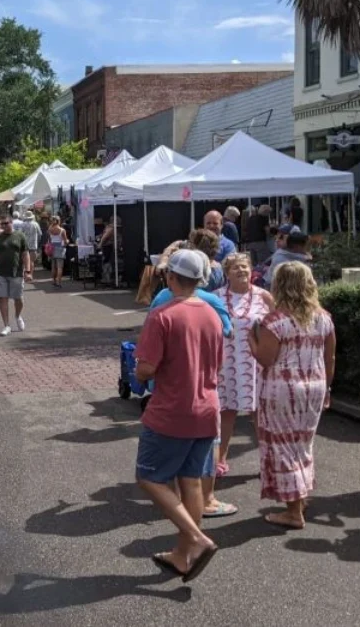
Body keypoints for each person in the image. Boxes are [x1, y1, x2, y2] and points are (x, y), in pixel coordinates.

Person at [132, 249, 222, 582]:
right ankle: (183, 554)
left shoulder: (163, 315)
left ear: (171, 277)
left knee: (149, 477)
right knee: (191, 480)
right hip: (206, 406)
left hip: (172, 409)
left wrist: (138, 371)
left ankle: (196, 540)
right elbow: (218, 363)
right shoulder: (212, 314)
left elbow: (146, 369)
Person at [248, 262, 336, 530]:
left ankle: (293, 511)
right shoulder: (323, 317)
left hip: (282, 389)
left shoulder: (275, 321)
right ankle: (301, 495)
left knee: (282, 446)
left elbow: (265, 357)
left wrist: (251, 338)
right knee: (302, 444)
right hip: (315, 385)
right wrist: (328, 388)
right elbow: (329, 356)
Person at [212, 254, 273, 485]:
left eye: (245, 266)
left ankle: (268, 462)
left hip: (255, 363)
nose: (241, 270)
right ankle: (220, 459)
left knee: (261, 414)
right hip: (226, 363)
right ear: (227, 272)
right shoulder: (216, 297)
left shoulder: (264, 296)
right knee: (225, 412)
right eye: (236, 267)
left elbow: (277, 325)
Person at [0, 217, 30, 336]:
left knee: (18, 298)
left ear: (11, 223)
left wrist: (28, 271)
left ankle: (17, 315)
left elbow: (25, 254)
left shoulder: (20, 236)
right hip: (0, 272)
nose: (4, 225)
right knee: (3, 298)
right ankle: (6, 325)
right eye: (2, 224)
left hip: (16, 272)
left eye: (6, 223)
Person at [47, 217, 69, 287]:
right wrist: (67, 242)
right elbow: (65, 241)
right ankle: (58, 282)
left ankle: (53, 281)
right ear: (59, 221)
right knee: (60, 267)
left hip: (52, 248)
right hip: (60, 248)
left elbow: (49, 240)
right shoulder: (62, 230)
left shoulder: (50, 229)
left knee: (53, 266)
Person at [21, 211, 42, 275]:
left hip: (24, 245)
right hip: (33, 245)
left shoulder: (23, 224)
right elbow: (40, 234)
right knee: (31, 261)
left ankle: (25, 275)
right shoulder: (36, 224)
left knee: (24, 261)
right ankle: (30, 275)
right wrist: (38, 241)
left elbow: (20, 234)